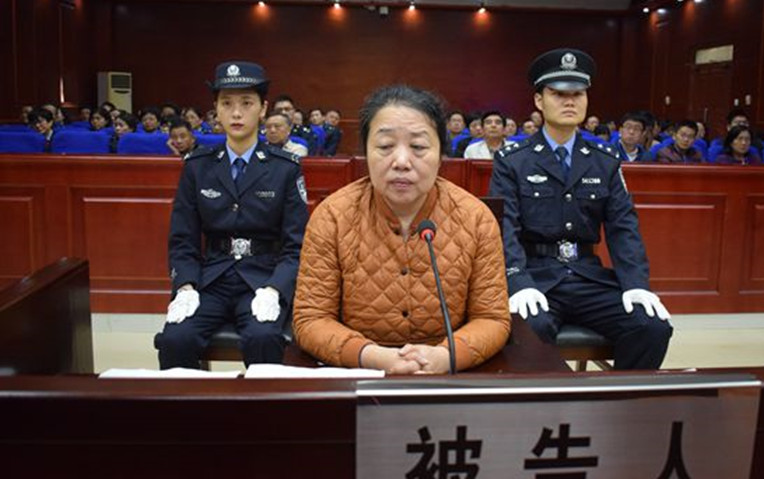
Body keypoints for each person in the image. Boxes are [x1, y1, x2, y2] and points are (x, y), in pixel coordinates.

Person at [293, 85, 510, 374]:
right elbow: (311, 319)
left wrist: (446, 356)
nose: (402, 162)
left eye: (418, 147)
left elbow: (492, 318)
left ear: (441, 155)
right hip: (358, 371)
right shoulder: (332, 216)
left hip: (448, 372)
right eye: (385, 147)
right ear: (366, 152)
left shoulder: (476, 218)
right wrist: (374, 357)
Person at [488, 47, 672, 370]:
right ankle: (546, 402)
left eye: (578, 93)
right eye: (558, 94)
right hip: (538, 276)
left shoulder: (604, 160)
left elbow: (623, 228)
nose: (569, 101)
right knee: (528, 329)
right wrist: (517, 282)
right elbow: (504, 229)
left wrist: (636, 283)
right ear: (539, 100)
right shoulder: (513, 160)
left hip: (587, 276)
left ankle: (621, 400)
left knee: (651, 327)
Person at [155, 61, 309, 369]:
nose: (236, 113)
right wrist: (185, 286)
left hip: (262, 279)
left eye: (246, 103)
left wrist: (276, 289)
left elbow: (297, 245)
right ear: (216, 110)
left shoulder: (285, 168)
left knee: (264, 338)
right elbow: (183, 239)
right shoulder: (197, 166)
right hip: (211, 279)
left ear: (263, 109)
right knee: (175, 340)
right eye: (226, 104)